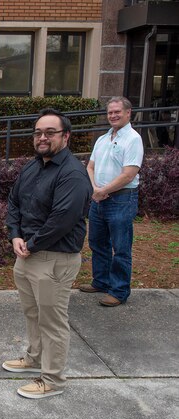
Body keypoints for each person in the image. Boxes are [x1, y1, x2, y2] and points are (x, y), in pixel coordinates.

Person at [4, 108, 92, 399]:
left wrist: (31, 243)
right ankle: (35, 357)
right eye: (38, 132)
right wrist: (15, 235)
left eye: (50, 132)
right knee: (33, 313)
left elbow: (62, 219)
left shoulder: (72, 174)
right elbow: (14, 201)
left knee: (52, 320)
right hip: (27, 254)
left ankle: (53, 379)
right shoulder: (33, 166)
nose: (42, 137)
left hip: (54, 258)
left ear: (65, 136)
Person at [80, 97, 144, 307]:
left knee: (121, 247)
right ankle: (101, 281)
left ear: (128, 113)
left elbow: (129, 174)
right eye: (110, 112)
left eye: (117, 112)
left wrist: (103, 191)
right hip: (99, 199)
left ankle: (118, 291)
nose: (113, 115)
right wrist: (95, 190)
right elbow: (90, 167)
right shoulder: (102, 139)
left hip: (121, 199)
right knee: (97, 243)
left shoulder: (133, 139)